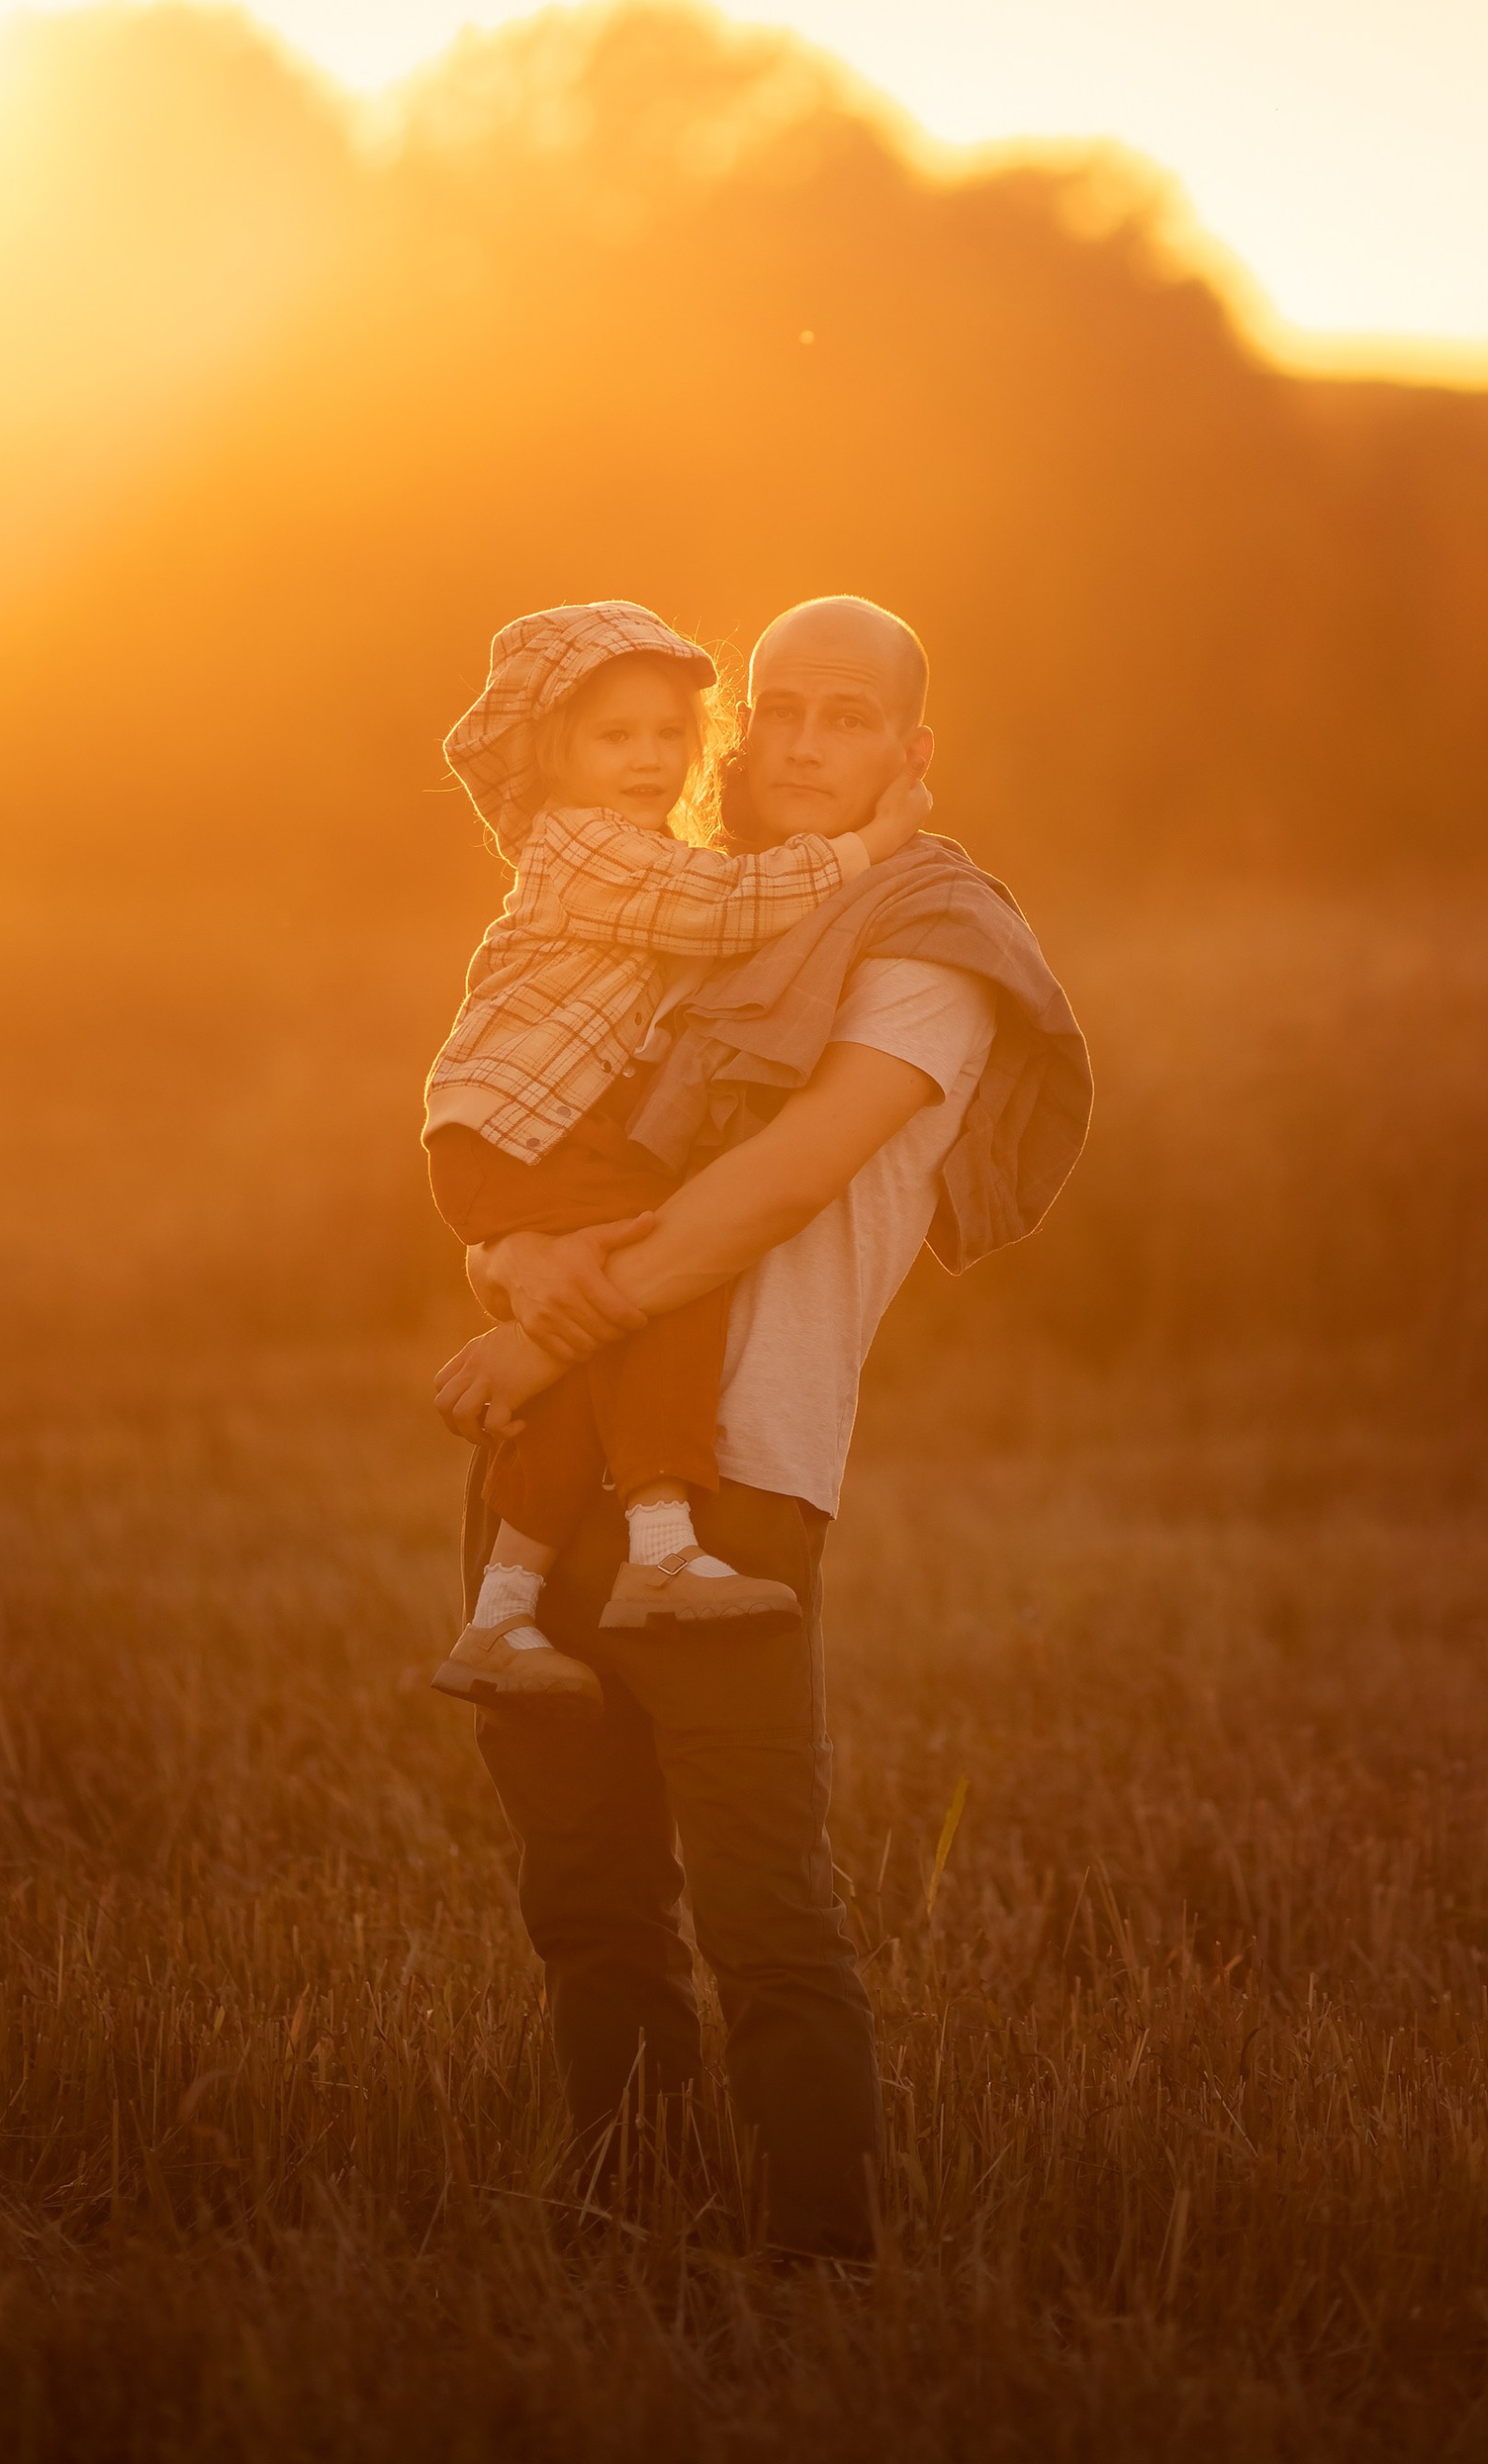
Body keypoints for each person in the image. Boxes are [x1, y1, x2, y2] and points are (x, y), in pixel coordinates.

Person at [423, 593, 1091, 2262]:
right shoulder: (679, 912)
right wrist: (501, 1255)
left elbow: (775, 1182)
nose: (802, 746)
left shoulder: (930, 937)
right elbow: (529, 1120)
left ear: (909, 753)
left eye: (845, 718)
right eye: (777, 710)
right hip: (550, 1462)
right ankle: (626, 2242)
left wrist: (537, 1335)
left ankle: (816, 2281)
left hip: (733, 1478)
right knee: (589, 1912)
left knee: (765, 1917)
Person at [418, 599, 936, 1705]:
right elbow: (738, 903)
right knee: (675, 1260)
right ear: (555, 754)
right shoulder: (592, 848)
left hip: (511, 1144)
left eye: (667, 737)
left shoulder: (641, 850)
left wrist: (512, 1274)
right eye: (616, 739)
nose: (650, 760)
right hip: (523, 1135)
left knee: (586, 1351)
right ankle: (660, 1543)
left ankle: (503, 1612)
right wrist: (874, 843)